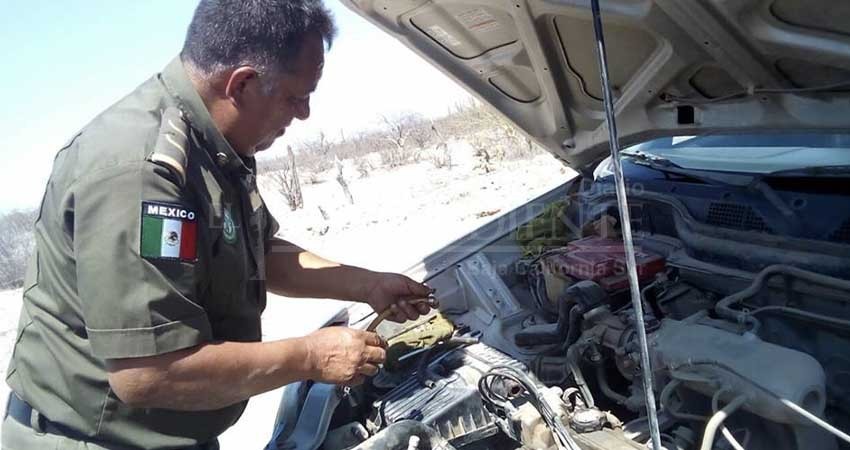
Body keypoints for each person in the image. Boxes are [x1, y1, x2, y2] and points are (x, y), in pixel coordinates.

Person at [1, 1, 434, 449]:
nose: (303, 113)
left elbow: (258, 250)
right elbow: (147, 374)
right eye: (294, 96)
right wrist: (311, 356)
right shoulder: (140, 173)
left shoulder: (214, 143)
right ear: (243, 84)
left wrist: (368, 285)